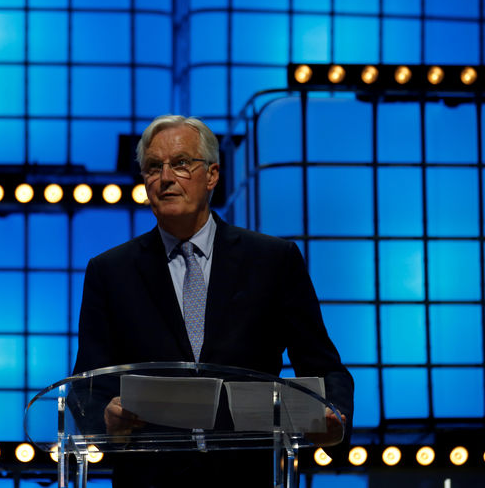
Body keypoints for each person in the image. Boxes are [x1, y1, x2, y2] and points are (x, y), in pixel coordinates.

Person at [72, 115, 354, 487]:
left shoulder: (272, 260)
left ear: (212, 175)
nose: (166, 177)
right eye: (154, 167)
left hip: (247, 476)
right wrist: (104, 419)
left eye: (182, 163)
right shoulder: (110, 272)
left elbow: (323, 366)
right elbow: (88, 384)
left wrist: (333, 417)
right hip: (149, 477)